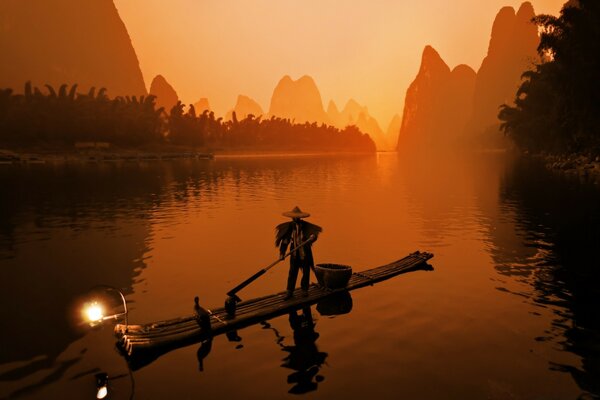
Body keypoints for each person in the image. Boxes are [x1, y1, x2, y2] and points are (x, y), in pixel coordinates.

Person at [275, 206, 322, 299]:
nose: (296, 219)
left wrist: (313, 237)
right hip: (294, 253)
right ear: (292, 218)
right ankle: (289, 291)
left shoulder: (306, 226)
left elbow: (313, 235)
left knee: (306, 271)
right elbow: (285, 241)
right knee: (292, 271)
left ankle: (304, 290)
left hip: (305, 252)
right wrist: (282, 254)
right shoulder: (289, 227)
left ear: (300, 217)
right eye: (294, 217)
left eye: (297, 217)